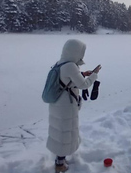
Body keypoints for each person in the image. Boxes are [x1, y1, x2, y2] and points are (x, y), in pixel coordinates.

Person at [46, 39, 101, 172]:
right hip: (66, 106)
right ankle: (59, 164)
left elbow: (68, 78)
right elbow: (84, 85)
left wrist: (83, 74)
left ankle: (60, 159)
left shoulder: (61, 63)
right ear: (75, 51)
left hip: (57, 103)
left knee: (59, 131)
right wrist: (94, 75)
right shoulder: (70, 66)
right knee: (64, 133)